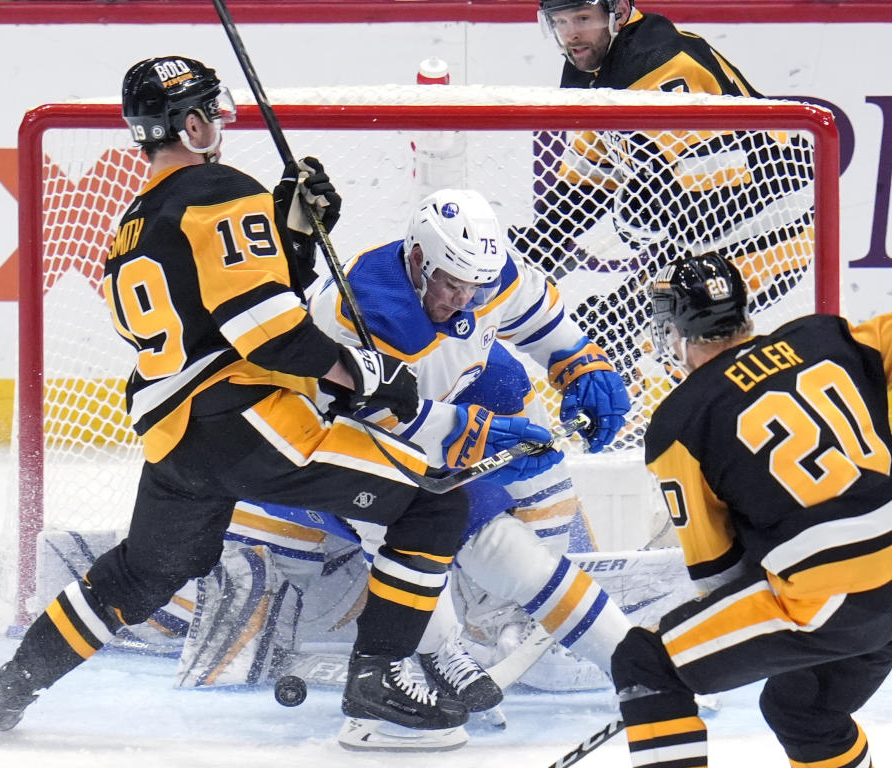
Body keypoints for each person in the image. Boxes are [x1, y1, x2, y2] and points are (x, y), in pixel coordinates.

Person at [0, 55, 481, 741]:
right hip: (252, 423)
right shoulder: (220, 188)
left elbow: (226, 310)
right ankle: (376, 680)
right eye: (212, 110)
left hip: (178, 442)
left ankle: (8, 689)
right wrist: (366, 374)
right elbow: (266, 333)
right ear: (193, 122)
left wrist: (292, 236)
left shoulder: (131, 225)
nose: (223, 123)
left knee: (139, 577)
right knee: (435, 504)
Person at [168, 189, 636, 740]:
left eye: (475, 287)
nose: (464, 301)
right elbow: (372, 424)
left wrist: (582, 363)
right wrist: (470, 434)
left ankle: (639, 669)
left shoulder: (484, 275)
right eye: (451, 285)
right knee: (403, 523)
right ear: (417, 260)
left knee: (514, 551)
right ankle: (430, 654)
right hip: (317, 456)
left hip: (420, 437)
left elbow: (540, 319)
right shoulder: (364, 310)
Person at [608, 252, 892, 767]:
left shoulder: (679, 423)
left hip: (833, 598)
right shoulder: (825, 336)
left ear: (675, 334)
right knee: (802, 710)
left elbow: (719, 574)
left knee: (645, 662)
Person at [516, 0, 814, 395]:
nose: (571, 34)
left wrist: (644, 217)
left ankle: (732, 421)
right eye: (561, 22)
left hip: (769, 234)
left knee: (671, 333)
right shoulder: (597, 69)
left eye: (583, 19)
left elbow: (710, 202)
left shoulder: (664, 67)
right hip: (704, 242)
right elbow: (592, 180)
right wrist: (542, 244)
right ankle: (637, 419)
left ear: (617, 13)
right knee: (610, 327)